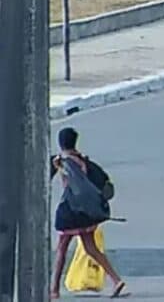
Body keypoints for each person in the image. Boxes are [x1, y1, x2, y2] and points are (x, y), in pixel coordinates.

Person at [49, 127, 127, 299]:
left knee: (61, 249)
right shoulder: (83, 160)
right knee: (91, 248)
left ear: (61, 143)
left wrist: (57, 167)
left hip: (71, 211)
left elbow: (67, 185)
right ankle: (116, 280)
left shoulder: (63, 161)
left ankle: (54, 290)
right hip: (87, 213)